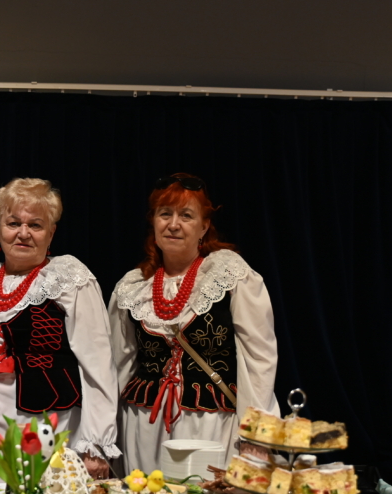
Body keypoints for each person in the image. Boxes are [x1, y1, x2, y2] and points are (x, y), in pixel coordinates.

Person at [109, 174, 278, 472]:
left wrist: (257, 433)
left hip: (211, 424)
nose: (173, 224)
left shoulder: (228, 274)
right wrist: (105, 434)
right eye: (165, 214)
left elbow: (259, 358)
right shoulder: (132, 287)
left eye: (186, 216)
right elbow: (117, 365)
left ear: (204, 226)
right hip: (144, 425)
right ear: (154, 222)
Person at [0, 178, 119, 478]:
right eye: (13, 223)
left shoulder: (68, 278)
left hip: (50, 421)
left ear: (51, 233)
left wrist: (96, 443)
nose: (23, 233)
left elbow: (98, 365)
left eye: (35, 225)